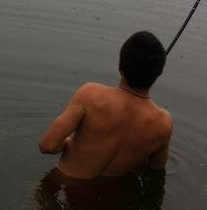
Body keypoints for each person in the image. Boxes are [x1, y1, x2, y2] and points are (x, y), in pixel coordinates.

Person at [38, 31, 172, 181]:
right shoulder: (163, 123)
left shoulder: (91, 94)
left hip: (66, 183)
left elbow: (48, 145)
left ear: (120, 66)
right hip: (111, 197)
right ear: (159, 73)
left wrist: (69, 144)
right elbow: (155, 170)